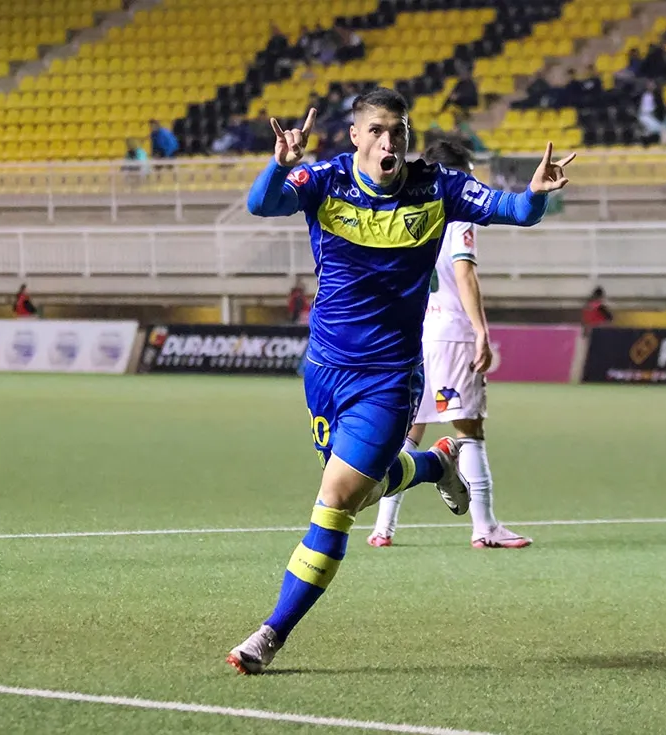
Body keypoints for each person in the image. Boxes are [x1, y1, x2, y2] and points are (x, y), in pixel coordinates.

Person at [227, 87, 575, 675]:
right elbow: (262, 206)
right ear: (358, 136)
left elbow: (514, 210)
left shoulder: (437, 186)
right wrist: (278, 166)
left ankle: (270, 633)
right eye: (379, 130)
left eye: (400, 131)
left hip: (389, 378)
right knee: (365, 489)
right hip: (324, 371)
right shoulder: (325, 179)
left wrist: (536, 196)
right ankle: (437, 464)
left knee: (336, 501)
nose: (391, 141)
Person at [368, 137, 531, 550]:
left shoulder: (414, 212)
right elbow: (464, 272)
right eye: (470, 173)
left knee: (408, 432)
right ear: (457, 173)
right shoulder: (459, 213)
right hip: (452, 334)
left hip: (417, 332)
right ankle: (485, 526)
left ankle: (382, 528)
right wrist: (481, 332)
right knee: (469, 429)